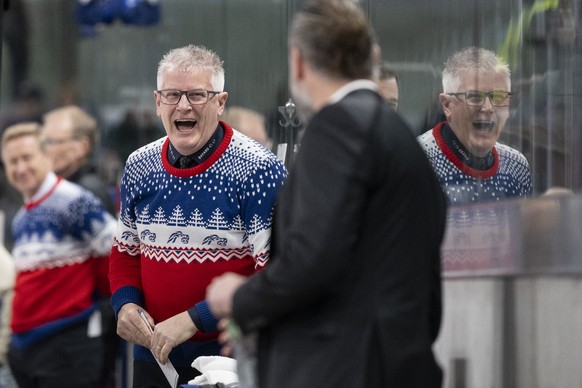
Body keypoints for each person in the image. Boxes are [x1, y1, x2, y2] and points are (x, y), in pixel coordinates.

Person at [206, 1, 447, 387]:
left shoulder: (337, 127)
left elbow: (314, 258)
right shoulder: (398, 135)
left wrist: (240, 298)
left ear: (299, 63)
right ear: (370, 58)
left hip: (343, 370)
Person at [108, 44, 286, 387]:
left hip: (227, 359)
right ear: (157, 102)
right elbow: (126, 253)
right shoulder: (138, 165)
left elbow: (279, 273)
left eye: (197, 95)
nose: (184, 105)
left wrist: (195, 318)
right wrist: (126, 304)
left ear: (221, 103)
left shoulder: (259, 170)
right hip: (153, 355)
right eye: (173, 95)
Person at [1, 122, 116, 387]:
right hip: (29, 350)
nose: (20, 168)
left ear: (46, 157)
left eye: (27, 158)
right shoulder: (22, 216)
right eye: (12, 161)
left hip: (65, 348)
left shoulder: (72, 199)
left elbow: (118, 251)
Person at [417, 47, 533, 205]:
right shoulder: (415, 161)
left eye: (499, 97)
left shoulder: (516, 166)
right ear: (447, 105)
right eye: (475, 97)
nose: (488, 108)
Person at [41, 105, 116, 215]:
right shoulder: (54, 187)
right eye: (43, 143)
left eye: (53, 142)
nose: (45, 150)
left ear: (82, 147)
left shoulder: (89, 193)